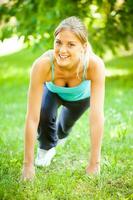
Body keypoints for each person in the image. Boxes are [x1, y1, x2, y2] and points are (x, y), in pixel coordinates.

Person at [22, 16, 105, 180]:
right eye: (58, 42)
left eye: (71, 44)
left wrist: (94, 163)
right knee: (44, 112)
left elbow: (96, 118)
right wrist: (27, 165)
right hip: (53, 92)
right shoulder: (43, 65)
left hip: (80, 98)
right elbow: (32, 117)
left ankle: (60, 136)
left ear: (83, 47)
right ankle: (46, 148)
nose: (62, 50)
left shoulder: (94, 65)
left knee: (64, 129)